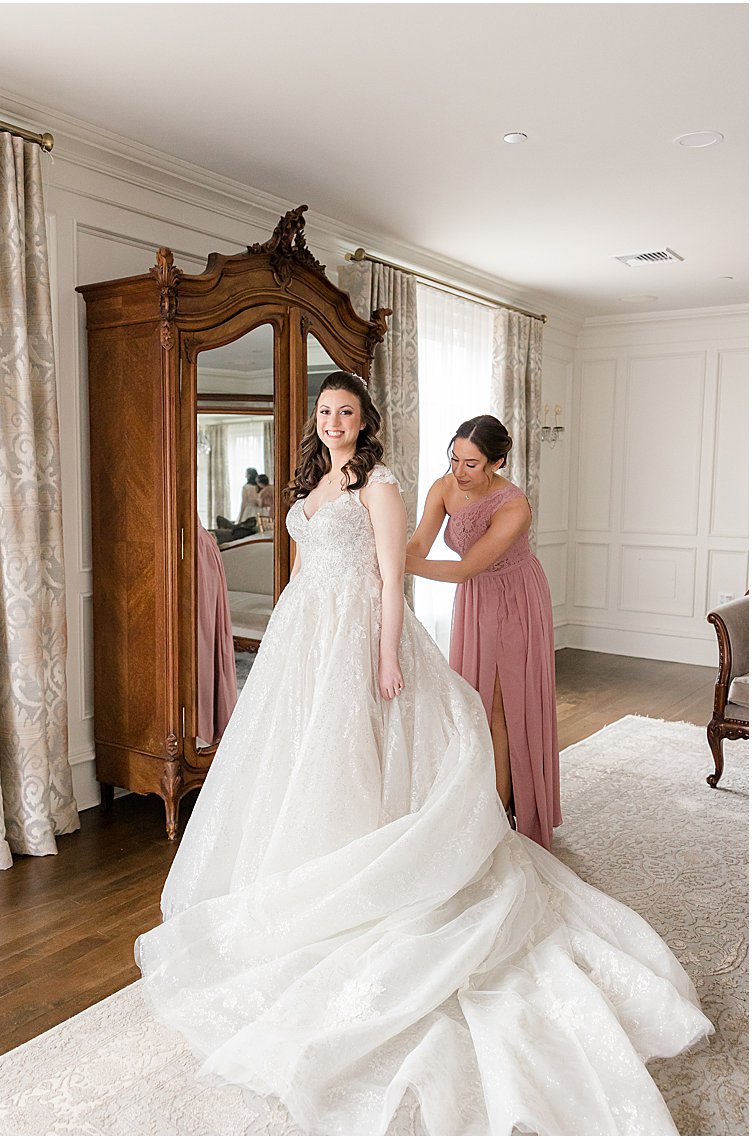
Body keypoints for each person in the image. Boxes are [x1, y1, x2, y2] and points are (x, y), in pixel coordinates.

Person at [135, 372, 710, 1136]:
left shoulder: (380, 482)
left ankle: (373, 861)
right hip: (306, 632)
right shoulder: (312, 477)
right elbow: (305, 565)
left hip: (357, 632)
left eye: (346, 410)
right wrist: (283, 627)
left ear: (366, 418)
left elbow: (388, 574)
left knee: (363, 750)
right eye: (325, 411)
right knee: (291, 756)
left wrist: (384, 655)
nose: (334, 420)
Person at [405, 414, 561, 847]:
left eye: (471, 464)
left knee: (500, 709)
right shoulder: (444, 487)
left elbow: (466, 568)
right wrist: (390, 550)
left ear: (498, 463)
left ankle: (499, 821)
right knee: (470, 702)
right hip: (475, 600)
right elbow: (419, 545)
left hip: (515, 599)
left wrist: (390, 562)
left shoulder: (514, 506)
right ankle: (478, 806)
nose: (458, 471)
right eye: (454, 458)